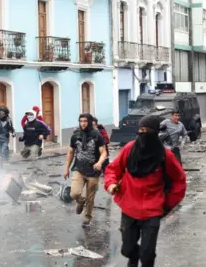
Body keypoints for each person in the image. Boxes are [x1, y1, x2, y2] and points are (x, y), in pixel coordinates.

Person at [104, 115, 186, 267]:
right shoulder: (129, 149)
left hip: (153, 210)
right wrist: (110, 183)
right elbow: (112, 170)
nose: (143, 134)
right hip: (129, 208)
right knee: (127, 249)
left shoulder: (165, 155)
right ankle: (132, 258)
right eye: (141, 130)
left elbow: (179, 180)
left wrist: (167, 205)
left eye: (147, 131)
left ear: (155, 133)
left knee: (147, 255)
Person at [63, 113, 108, 227]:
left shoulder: (97, 135)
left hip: (93, 171)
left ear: (89, 122)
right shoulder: (75, 136)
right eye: (81, 121)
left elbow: (104, 153)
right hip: (79, 168)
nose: (83, 123)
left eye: (85, 121)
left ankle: (87, 217)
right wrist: (66, 168)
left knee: (90, 196)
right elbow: (70, 152)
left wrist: (99, 162)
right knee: (74, 193)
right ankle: (81, 201)